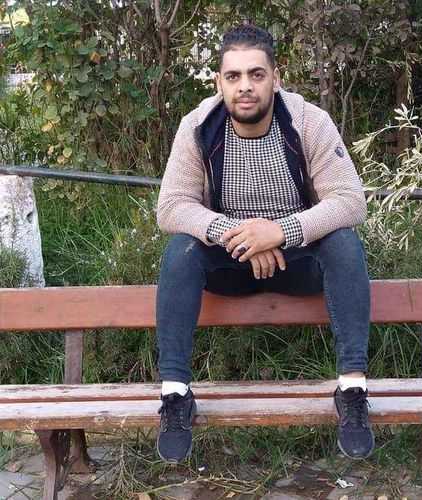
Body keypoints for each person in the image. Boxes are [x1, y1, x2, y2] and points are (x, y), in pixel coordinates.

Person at [155, 24, 373, 464]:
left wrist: (281, 232)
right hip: (229, 264)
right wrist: (240, 235)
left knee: (344, 243)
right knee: (181, 250)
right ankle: (175, 395)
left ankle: (352, 390)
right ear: (218, 82)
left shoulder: (309, 122)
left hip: (299, 263)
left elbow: (351, 201)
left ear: (276, 77)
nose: (245, 87)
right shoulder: (198, 127)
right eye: (233, 76)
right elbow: (172, 207)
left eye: (256, 74)